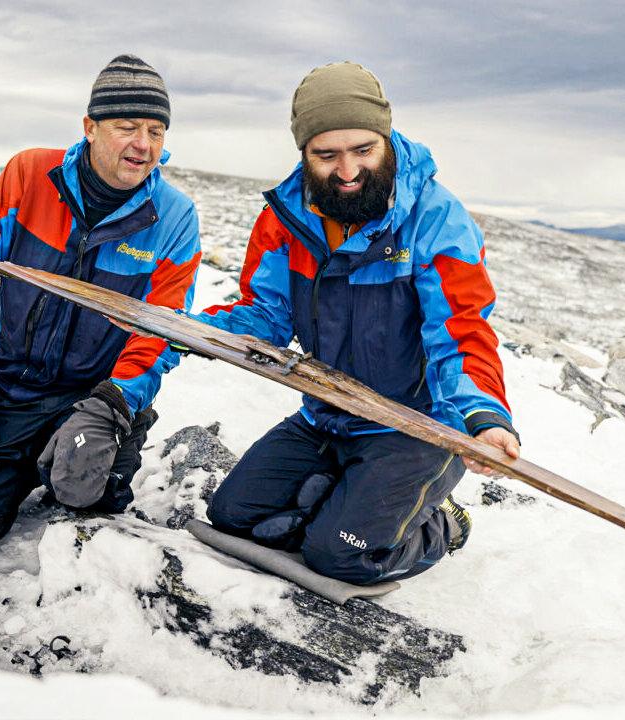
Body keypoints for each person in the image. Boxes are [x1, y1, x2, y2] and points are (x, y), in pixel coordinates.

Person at [199, 62, 519, 584]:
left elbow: (461, 329)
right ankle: (346, 494)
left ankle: (442, 525)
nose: (347, 171)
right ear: (303, 154)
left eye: (363, 150)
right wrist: (192, 329)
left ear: (387, 140)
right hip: (328, 417)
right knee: (234, 517)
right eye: (327, 155)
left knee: (340, 558)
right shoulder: (286, 221)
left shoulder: (435, 218)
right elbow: (267, 317)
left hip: (418, 430)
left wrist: (482, 415)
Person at [0, 54, 200, 548]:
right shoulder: (29, 175)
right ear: (90, 126)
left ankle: (113, 439)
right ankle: (22, 460)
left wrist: (114, 403)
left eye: (156, 131)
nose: (143, 145)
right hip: (13, 389)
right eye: (127, 127)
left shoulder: (173, 217)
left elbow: (163, 329)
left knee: (89, 501)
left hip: (93, 397)